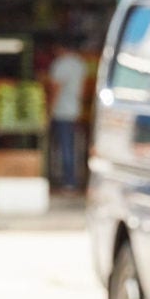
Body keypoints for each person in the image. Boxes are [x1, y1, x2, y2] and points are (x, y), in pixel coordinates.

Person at [48, 39, 89, 193]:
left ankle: (68, 180)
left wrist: (49, 111)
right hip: (75, 110)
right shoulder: (80, 64)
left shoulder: (60, 64)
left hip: (61, 111)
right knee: (71, 145)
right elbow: (83, 91)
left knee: (64, 146)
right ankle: (70, 179)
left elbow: (55, 90)